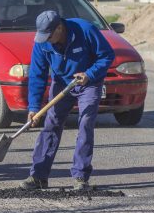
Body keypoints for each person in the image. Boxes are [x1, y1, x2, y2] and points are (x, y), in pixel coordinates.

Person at [20, 10, 114, 191]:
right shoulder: (41, 44)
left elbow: (107, 55)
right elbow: (37, 75)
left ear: (60, 28)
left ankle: (80, 176)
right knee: (51, 124)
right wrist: (33, 107)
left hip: (88, 82)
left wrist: (89, 74)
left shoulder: (85, 30)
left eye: (49, 36)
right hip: (62, 82)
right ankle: (38, 176)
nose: (46, 40)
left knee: (85, 122)